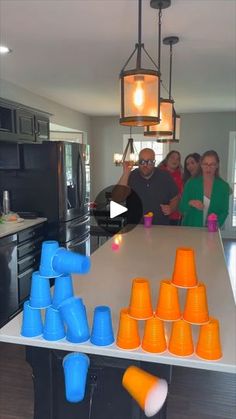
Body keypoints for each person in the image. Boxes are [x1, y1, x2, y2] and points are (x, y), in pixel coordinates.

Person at [112, 148, 179, 225]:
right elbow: (117, 198)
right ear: (138, 162)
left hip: (160, 228)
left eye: (149, 162)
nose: (145, 165)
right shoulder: (130, 176)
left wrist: (171, 208)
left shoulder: (165, 177)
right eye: (142, 161)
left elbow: (175, 198)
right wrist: (126, 172)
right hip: (135, 228)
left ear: (154, 163)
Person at [179, 150, 230, 227]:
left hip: (212, 231)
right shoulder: (191, 183)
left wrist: (215, 225)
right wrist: (191, 203)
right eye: (205, 164)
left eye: (212, 164)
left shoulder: (224, 187)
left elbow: (224, 212)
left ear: (217, 165)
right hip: (190, 231)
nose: (208, 168)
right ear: (201, 165)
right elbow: (182, 208)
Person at [158, 150, 183, 225]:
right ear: (167, 159)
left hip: (175, 214)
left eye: (177, 159)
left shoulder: (181, 176)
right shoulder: (158, 173)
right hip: (159, 212)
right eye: (172, 157)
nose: (175, 160)